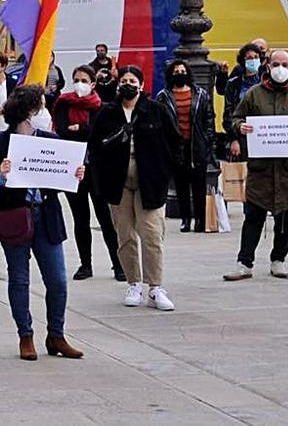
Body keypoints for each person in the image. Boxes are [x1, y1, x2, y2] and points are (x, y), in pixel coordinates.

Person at [0, 84, 85, 362]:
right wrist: (2, 175)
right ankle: (25, 335)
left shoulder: (50, 139)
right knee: (19, 278)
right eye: (40, 106)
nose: (44, 111)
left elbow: (60, 178)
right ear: (28, 112)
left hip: (46, 215)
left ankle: (56, 334)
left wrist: (75, 173)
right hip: (15, 215)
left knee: (58, 280)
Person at [88, 66, 179, 312]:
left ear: (141, 84)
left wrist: (164, 172)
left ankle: (155, 287)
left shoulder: (155, 111)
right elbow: (94, 147)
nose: (128, 84)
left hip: (150, 183)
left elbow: (174, 141)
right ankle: (133, 283)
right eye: (124, 80)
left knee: (151, 234)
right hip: (118, 184)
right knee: (125, 235)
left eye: (133, 80)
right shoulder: (107, 113)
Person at [53, 66, 123, 281]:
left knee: (105, 219)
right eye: (76, 79)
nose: (79, 83)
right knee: (80, 219)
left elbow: (98, 134)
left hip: (97, 170)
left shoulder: (102, 107)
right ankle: (85, 264)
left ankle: (118, 264)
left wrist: (81, 129)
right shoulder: (64, 104)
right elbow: (63, 131)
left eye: (84, 80)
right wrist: (82, 129)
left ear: (93, 84)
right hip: (73, 170)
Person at [224, 48, 288, 281]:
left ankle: (278, 259)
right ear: (268, 66)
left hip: (285, 170)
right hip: (261, 168)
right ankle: (245, 262)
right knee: (253, 216)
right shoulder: (254, 93)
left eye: (285, 64)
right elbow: (235, 118)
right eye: (276, 64)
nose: (281, 69)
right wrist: (239, 128)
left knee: (285, 218)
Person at [154, 60, 215, 233]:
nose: (180, 74)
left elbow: (208, 118)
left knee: (199, 185)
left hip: (197, 145)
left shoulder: (200, 94)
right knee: (180, 185)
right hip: (176, 146)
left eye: (182, 71)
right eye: (176, 71)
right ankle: (185, 219)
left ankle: (201, 220)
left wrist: (209, 141)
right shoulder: (164, 96)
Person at [223, 43, 265, 161]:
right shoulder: (233, 84)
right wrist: (233, 139)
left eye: (256, 57)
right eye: (250, 58)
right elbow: (228, 113)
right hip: (241, 135)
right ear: (243, 61)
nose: (253, 60)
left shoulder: (266, 80)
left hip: (263, 135)